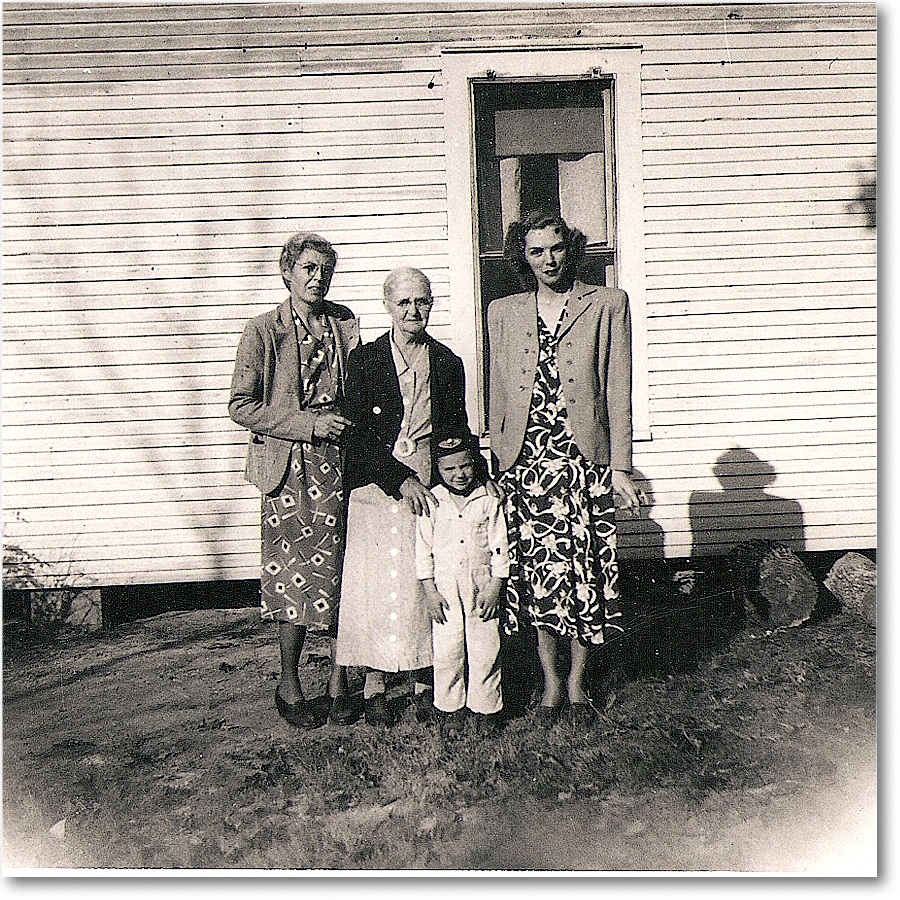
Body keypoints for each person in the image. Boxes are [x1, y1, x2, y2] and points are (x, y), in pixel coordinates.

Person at [487, 210, 645, 727]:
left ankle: (578, 684)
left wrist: (620, 466)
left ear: (569, 249)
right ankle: (550, 682)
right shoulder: (503, 311)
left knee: (583, 576)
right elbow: (497, 392)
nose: (548, 260)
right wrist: (497, 459)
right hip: (525, 464)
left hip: (582, 463)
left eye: (555, 248)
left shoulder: (607, 303)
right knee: (536, 577)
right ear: (523, 258)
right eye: (535, 251)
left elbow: (617, 388)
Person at [335, 267, 486, 727]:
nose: (413, 311)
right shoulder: (363, 362)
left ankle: (425, 679)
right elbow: (356, 437)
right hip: (377, 484)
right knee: (378, 583)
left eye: (422, 302)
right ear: (387, 306)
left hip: (429, 482)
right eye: (404, 303)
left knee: (425, 577)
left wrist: (466, 477)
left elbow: (455, 429)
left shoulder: (446, 362)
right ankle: (376, 681)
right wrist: (397, 479)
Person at [229, 231, 359, 729]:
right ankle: (289, 680)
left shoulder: (342, 323)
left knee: (341, 569)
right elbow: (241, 405)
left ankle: (338, 681)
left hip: (338, 461)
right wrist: (308, 425)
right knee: (292, 575)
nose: (317, 278)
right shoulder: (263, 330)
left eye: (325, 269)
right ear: (287, 273)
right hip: (288, 466)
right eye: (307, 268)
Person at [415, 426, 509, 732]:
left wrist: (496, 585)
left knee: (484, 647)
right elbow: (423, 550)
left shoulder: (487, 498)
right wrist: (429, 591)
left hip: (481, 583)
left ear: (475, 463)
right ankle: (450, 706)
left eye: (465, 465)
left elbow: (500, 544)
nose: (459, 474)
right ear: (438, 469)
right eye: (450, 468)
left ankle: (486, 707)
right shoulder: (433, 501)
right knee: (447, 649)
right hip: (443, 587)